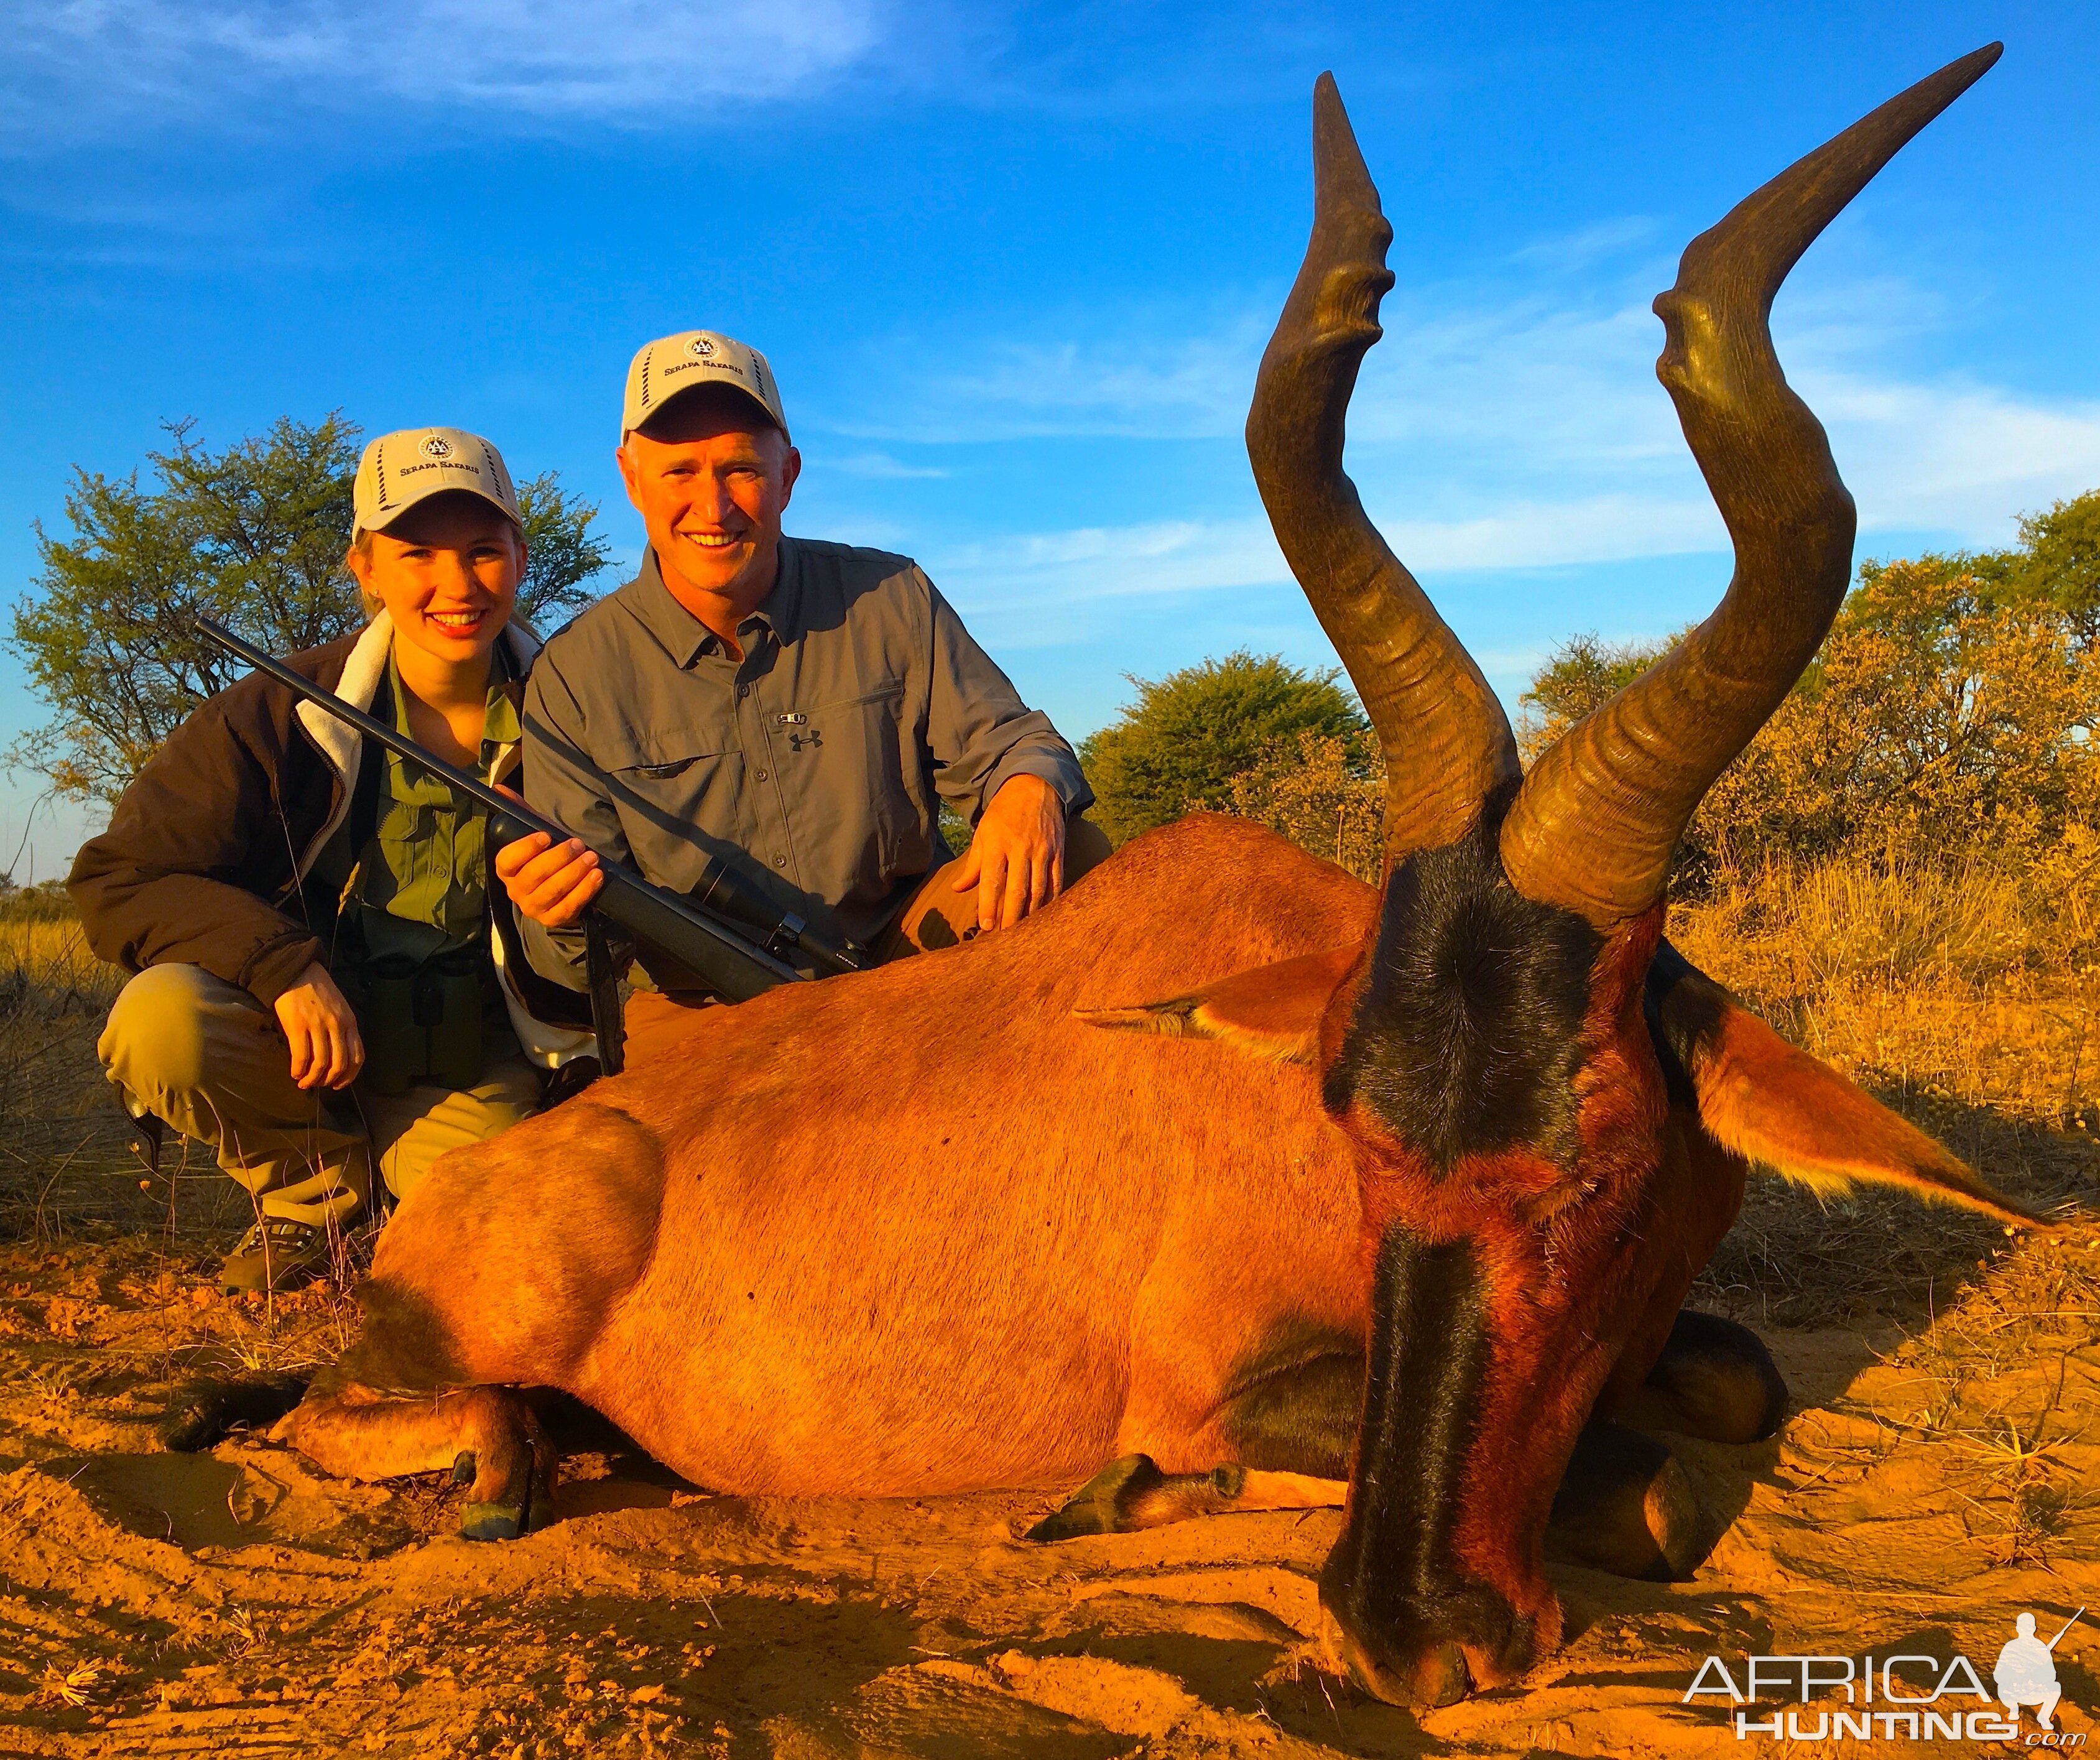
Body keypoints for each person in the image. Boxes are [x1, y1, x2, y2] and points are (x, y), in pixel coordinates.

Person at [72, 428, 591, 1294]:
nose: (457, 586)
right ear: (364, 565)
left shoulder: (582, 710)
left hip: (481, 1068)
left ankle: (402, 1193)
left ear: (521, 555)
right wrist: (279, 965)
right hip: (310, 1053)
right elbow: (116, 879)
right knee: (159, 1019)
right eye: (417, 552)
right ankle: (312, 1197)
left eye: (483, 552)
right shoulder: (272, 710)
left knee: (486, 1255)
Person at [497, 330, 1104, 1058]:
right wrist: (557, 912)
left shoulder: (890, 596)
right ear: (630, 479)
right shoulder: (572, 675)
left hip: (908, 954)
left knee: (1074, 848)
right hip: (708, 1010)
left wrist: (1028, 787)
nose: (713, 505)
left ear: (788, 475)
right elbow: (570, 960)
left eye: (741, 469)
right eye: (679, 471)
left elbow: (1015, 743)